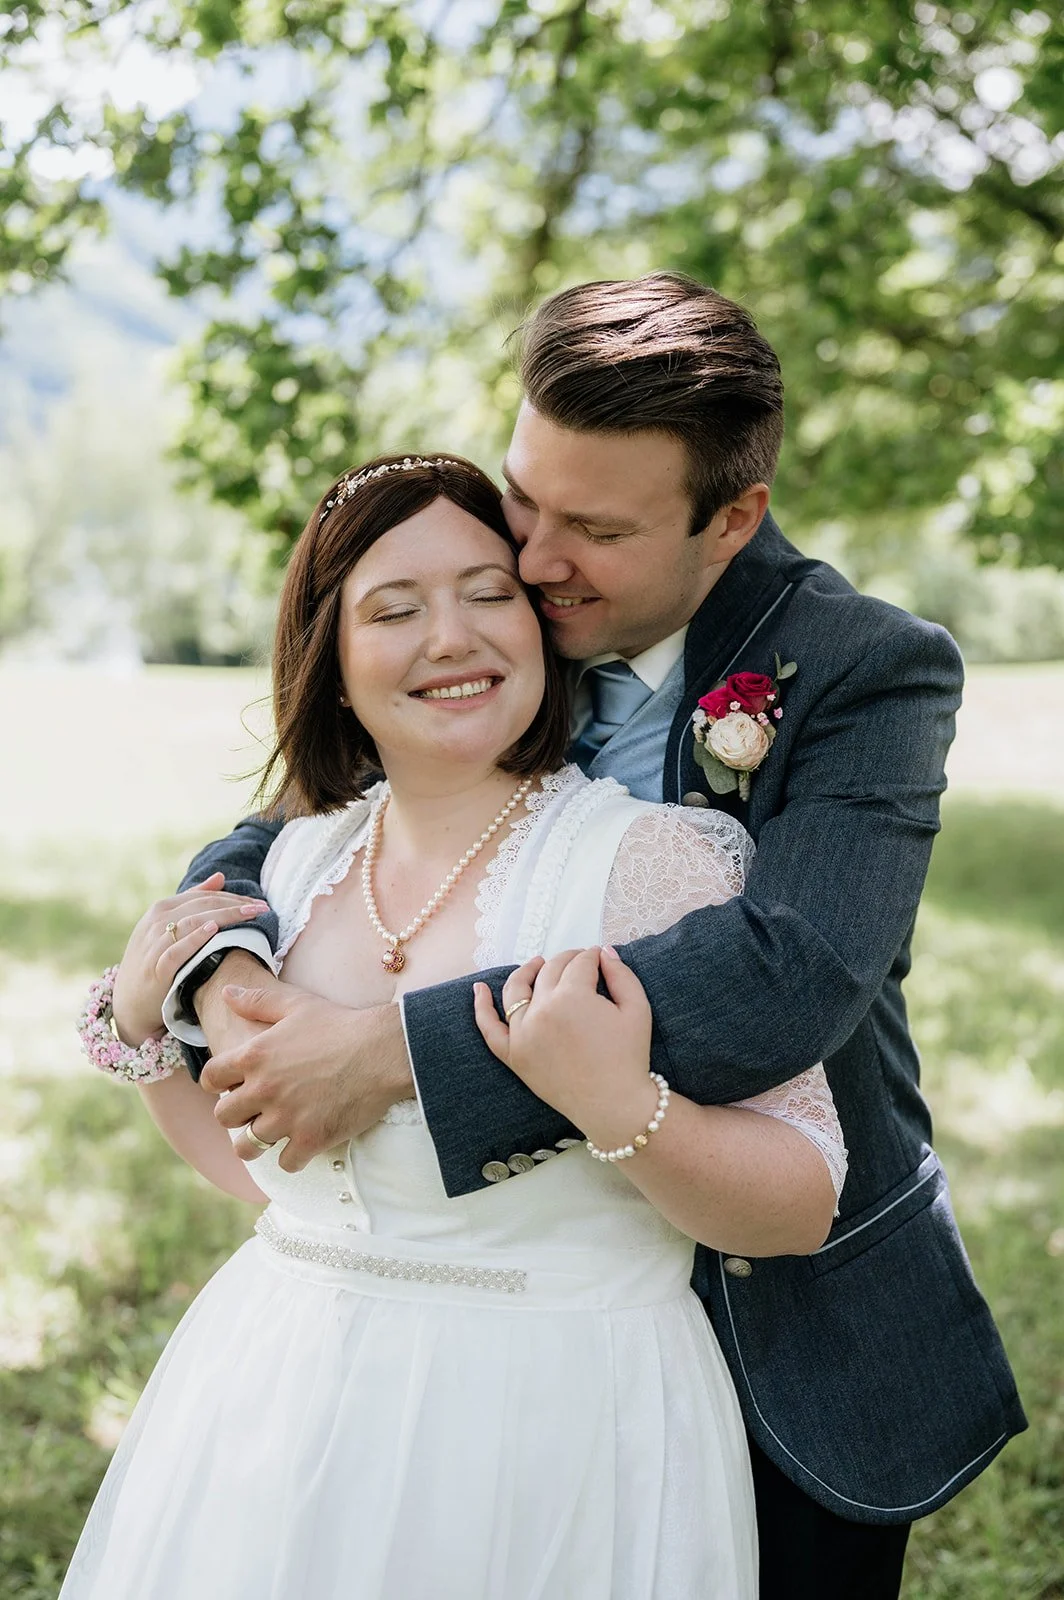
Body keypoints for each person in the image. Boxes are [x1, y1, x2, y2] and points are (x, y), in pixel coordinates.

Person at [164, 275, 1024, 1599]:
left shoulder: (863, 667)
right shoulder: (496, 620)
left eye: (598, 529)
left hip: (790, 1304)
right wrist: (222, 974)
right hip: (511, 1326)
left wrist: (391, 1052)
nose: (536, 557)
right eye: (527, 498)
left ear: (730, 518)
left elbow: (786, 976)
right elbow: (289, 820)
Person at [64, 453, 850, 1598]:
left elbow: (800, 1197)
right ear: (332, 661)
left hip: (556, 1435)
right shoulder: (294, 866)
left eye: (488, 593)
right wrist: (143, 1034)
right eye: (394, 609)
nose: (451, 637)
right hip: (272, 1402)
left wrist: (617, 1104)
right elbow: (271, 1182)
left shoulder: (645, 864)